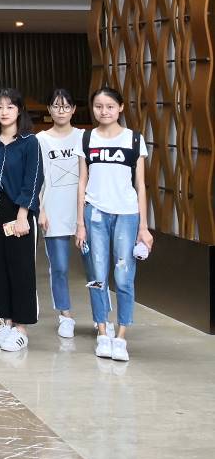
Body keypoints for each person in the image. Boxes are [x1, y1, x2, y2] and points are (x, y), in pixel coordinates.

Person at [75, 86, 153, 362]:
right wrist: (80, 223)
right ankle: (102, 332)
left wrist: (143, 227)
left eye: (110, 106)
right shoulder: (87, 138)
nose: (104, 111)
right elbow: (82, 182)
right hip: (94, 212)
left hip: (127, 214)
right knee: (97, 276)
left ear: (120, 108)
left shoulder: (134, 139)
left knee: (123, 276)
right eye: (98, 106)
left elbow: (140, 185)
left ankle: (121, 337)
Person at [0, 87, 43, 353]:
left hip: (18, 210)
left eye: (10, 107)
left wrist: (23, 215)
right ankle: (5, 322)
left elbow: (34, 179)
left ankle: (21, 329)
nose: (4, 112)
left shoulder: (29, 141)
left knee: (21, 270)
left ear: (19, 110)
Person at [37, 88, 86, 340]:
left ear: (73, 110)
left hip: (82, 212)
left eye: (66, 106)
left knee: (95, 268)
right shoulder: (40, 140)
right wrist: (41, 209)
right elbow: (37, 178)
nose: (61, 111)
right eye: (56, 106)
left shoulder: (84, 137)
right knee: (60, 267)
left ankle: (102, 317)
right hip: (53, 210)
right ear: (49, 109)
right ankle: (65, 315)